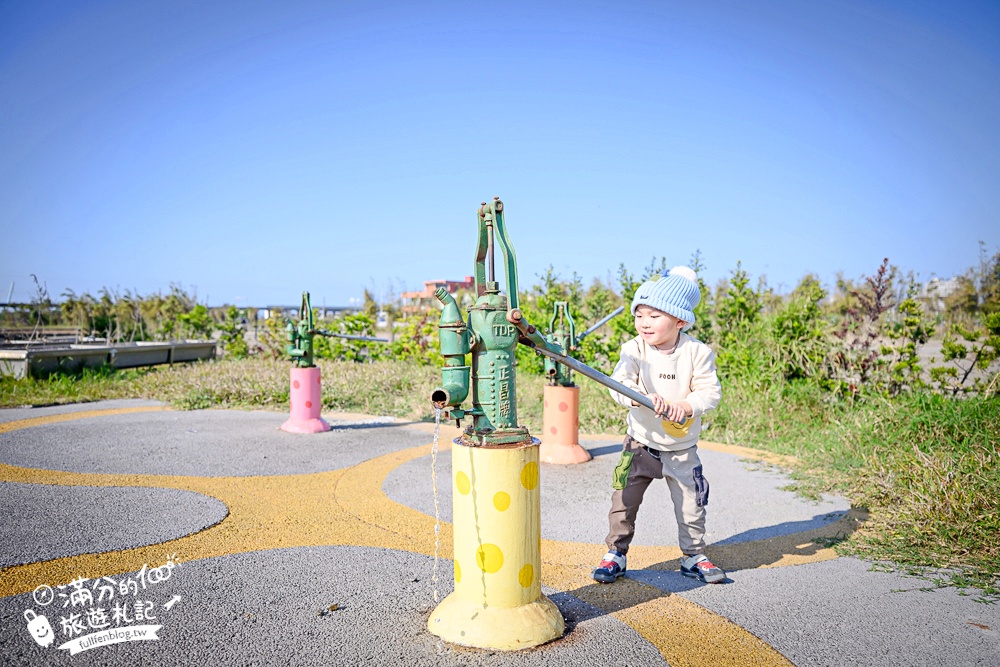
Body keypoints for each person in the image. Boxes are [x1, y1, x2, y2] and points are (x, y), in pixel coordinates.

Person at [593, 265, 725, 584]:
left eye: (654, 315)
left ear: (680, 320)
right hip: (639, 444)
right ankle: (615, 554)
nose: (644, 323)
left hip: (681, 450)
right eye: (639, 315)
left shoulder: (697, 353)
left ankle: (693, 556)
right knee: (623, 501)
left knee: (692, 505)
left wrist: (685, 405)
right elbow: (619, 383)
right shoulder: (633, 349)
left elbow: (710, 392)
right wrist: (636, 395)